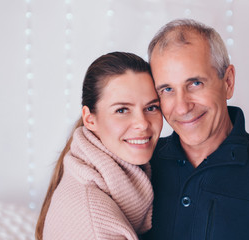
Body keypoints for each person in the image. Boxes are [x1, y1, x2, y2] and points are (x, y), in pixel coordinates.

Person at [143, 19, 249, 239]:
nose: (182, 106)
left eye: (195, 83)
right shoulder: (143, 163)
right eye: (167, 89)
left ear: (228, 82)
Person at [35, 52, 163, 240]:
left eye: (151, 107)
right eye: (122, 110)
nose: (142, 123)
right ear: (90, 119)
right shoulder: (95, 224)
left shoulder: (97, 171)